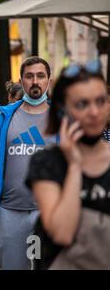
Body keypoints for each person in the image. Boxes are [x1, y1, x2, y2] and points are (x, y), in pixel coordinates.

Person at [26, 60, 110, 269]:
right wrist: (74, 165)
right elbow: (62, 233)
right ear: (62, 111)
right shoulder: (46, 162)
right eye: (82, 104)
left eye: (100, 101)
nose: (94, 112)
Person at [0, 56, 57, 270]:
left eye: (40, 76)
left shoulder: (62, 119)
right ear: (21, 81)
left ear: (49, 80)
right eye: (29, 76)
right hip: (9, 212)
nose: (35, 81)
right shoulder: (4, 119)